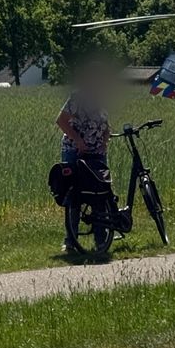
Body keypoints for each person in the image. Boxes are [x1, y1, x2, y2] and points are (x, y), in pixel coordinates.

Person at [55, 61, 112, 251]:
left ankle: (101, 238)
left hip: (97, 153)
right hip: (75, 151)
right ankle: (70, 240)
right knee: (75, 196)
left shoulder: (101, 99)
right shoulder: (77, 97)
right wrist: (78, 140)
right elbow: (61, 121)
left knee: (100, 194)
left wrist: (105, 140)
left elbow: (105, 124)